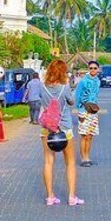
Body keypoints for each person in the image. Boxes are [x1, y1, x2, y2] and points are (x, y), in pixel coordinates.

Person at [39, 59, 81, 207]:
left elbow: (42, 103)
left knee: (48, 162)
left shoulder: (42, 87)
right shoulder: (65, 88)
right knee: (70, 162)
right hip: (65, 129)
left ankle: (50, 197)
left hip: (47, 129)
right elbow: (71, 102)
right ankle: (71, 197)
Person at [74, 60, 101, 167]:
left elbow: (95, 96)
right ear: (88, 69)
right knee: (84, 136)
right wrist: (80, 109)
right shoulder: (83, 81)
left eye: (95, 68)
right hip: (83, 111)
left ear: (98, 69)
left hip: (93, 111)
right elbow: (77, 96)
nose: (93, 70)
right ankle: (83, 158)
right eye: (91, 68)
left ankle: (88, 156)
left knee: (90, 136)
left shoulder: (98, 81)